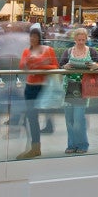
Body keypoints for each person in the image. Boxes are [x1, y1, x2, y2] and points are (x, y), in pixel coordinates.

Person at [16, 26, 59, 159]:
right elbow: (22, 66)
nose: (32, 39)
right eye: (31, 36)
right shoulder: (26, 51)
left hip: (43, 87)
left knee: (39, 114)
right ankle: (35, 146)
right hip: (30, 87)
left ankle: (35, 145)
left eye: (35, 36)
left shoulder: (48, 50)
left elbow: (55, 66)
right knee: (31, 117)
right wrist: (35, 63)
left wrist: (39, 65)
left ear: (39, 38)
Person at [59, 28, 98, 154]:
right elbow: (60, 65)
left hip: (84, 88)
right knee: (69, 119)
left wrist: (97, 66)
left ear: (86, 39)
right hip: (69, 88)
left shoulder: (91, 51)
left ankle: (83, 144)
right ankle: (71, 145)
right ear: (75, 39)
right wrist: (64, 67)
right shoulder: (68, 52)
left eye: (83, 40)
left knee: (79, 119)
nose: (81, 42)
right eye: (79, 40)